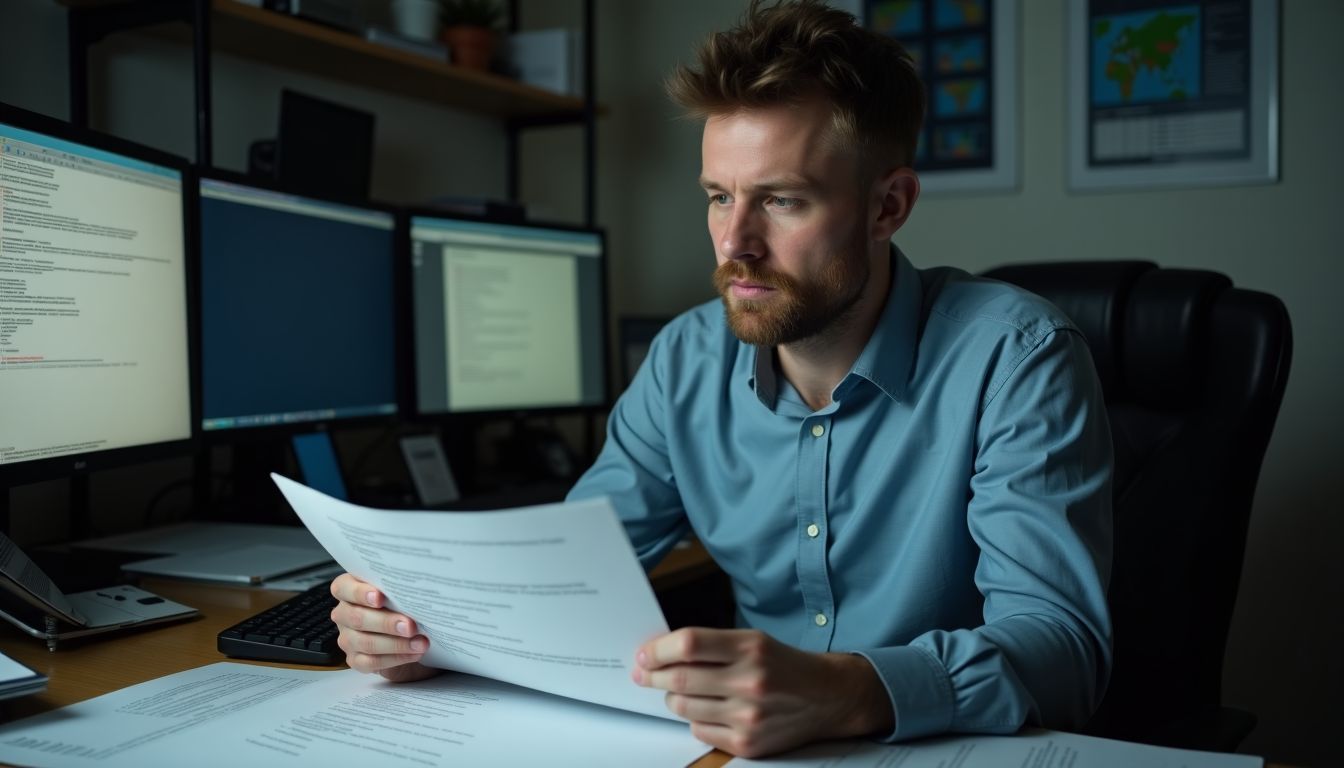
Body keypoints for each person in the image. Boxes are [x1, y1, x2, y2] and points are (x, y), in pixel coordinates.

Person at [329, 0, 1113, 758]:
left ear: (889, 206)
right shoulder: (684, 361)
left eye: (781, 200)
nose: (735, 242)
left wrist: (849, 690)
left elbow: (1061, 650)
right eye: (718, 197)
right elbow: (559, 576)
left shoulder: (1017, 356)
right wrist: (429, 634)